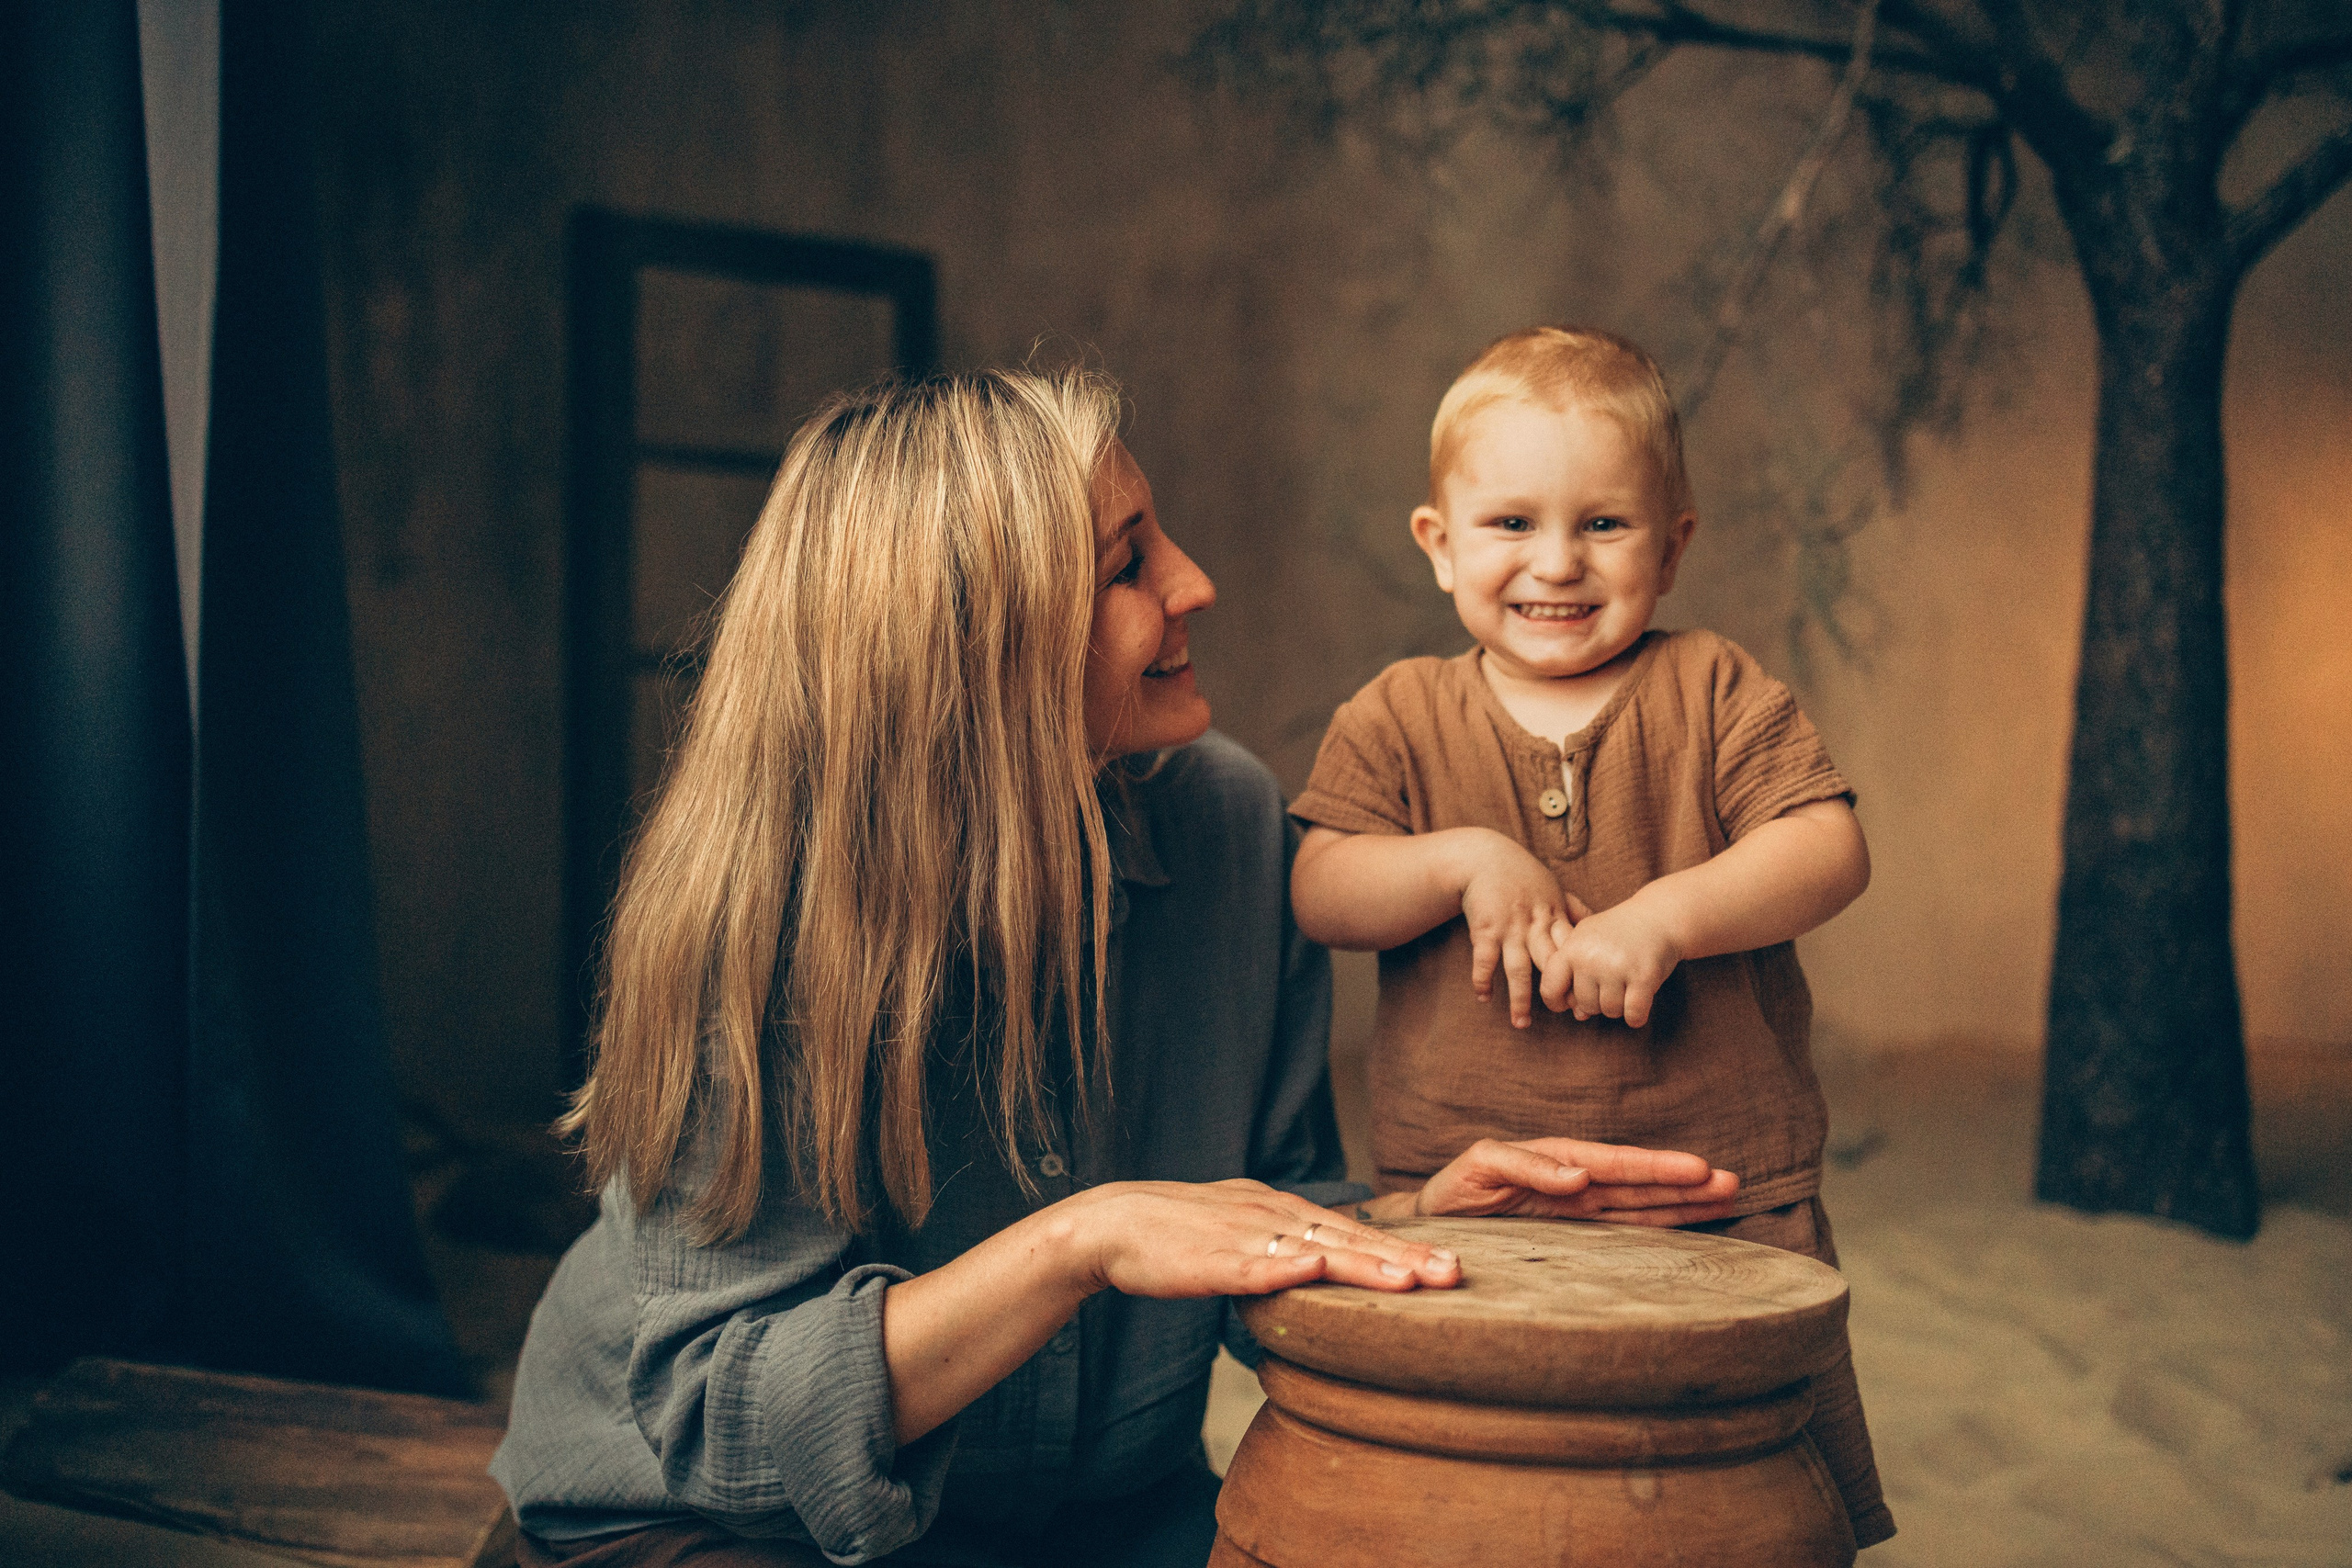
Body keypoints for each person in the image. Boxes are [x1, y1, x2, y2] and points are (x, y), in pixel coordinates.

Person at [489, 367, 1741, 1568]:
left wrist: (1419, 1224)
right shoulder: (763, 919)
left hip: (1097, 1524)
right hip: (708, 1524)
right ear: (975, 645)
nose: (1193, 584)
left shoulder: (1234, 826)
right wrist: (1077, 1241)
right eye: (1127, 564)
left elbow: (1255, 1206)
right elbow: (722, 1422)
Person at [1287, 325, 1894, 1549]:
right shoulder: (1399, 715)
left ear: (1673, 545)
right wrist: (1465, 859)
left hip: (1726, 1195)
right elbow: (1322, 892)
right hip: (1473, 1198)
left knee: (1766, 1510)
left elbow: (1828, 845)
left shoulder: (1713, 687)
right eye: (1511, 523)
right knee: (1491, 1501)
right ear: (1440, 542)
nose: (1556, 562)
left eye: (1604, 525)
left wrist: (1669, 917)